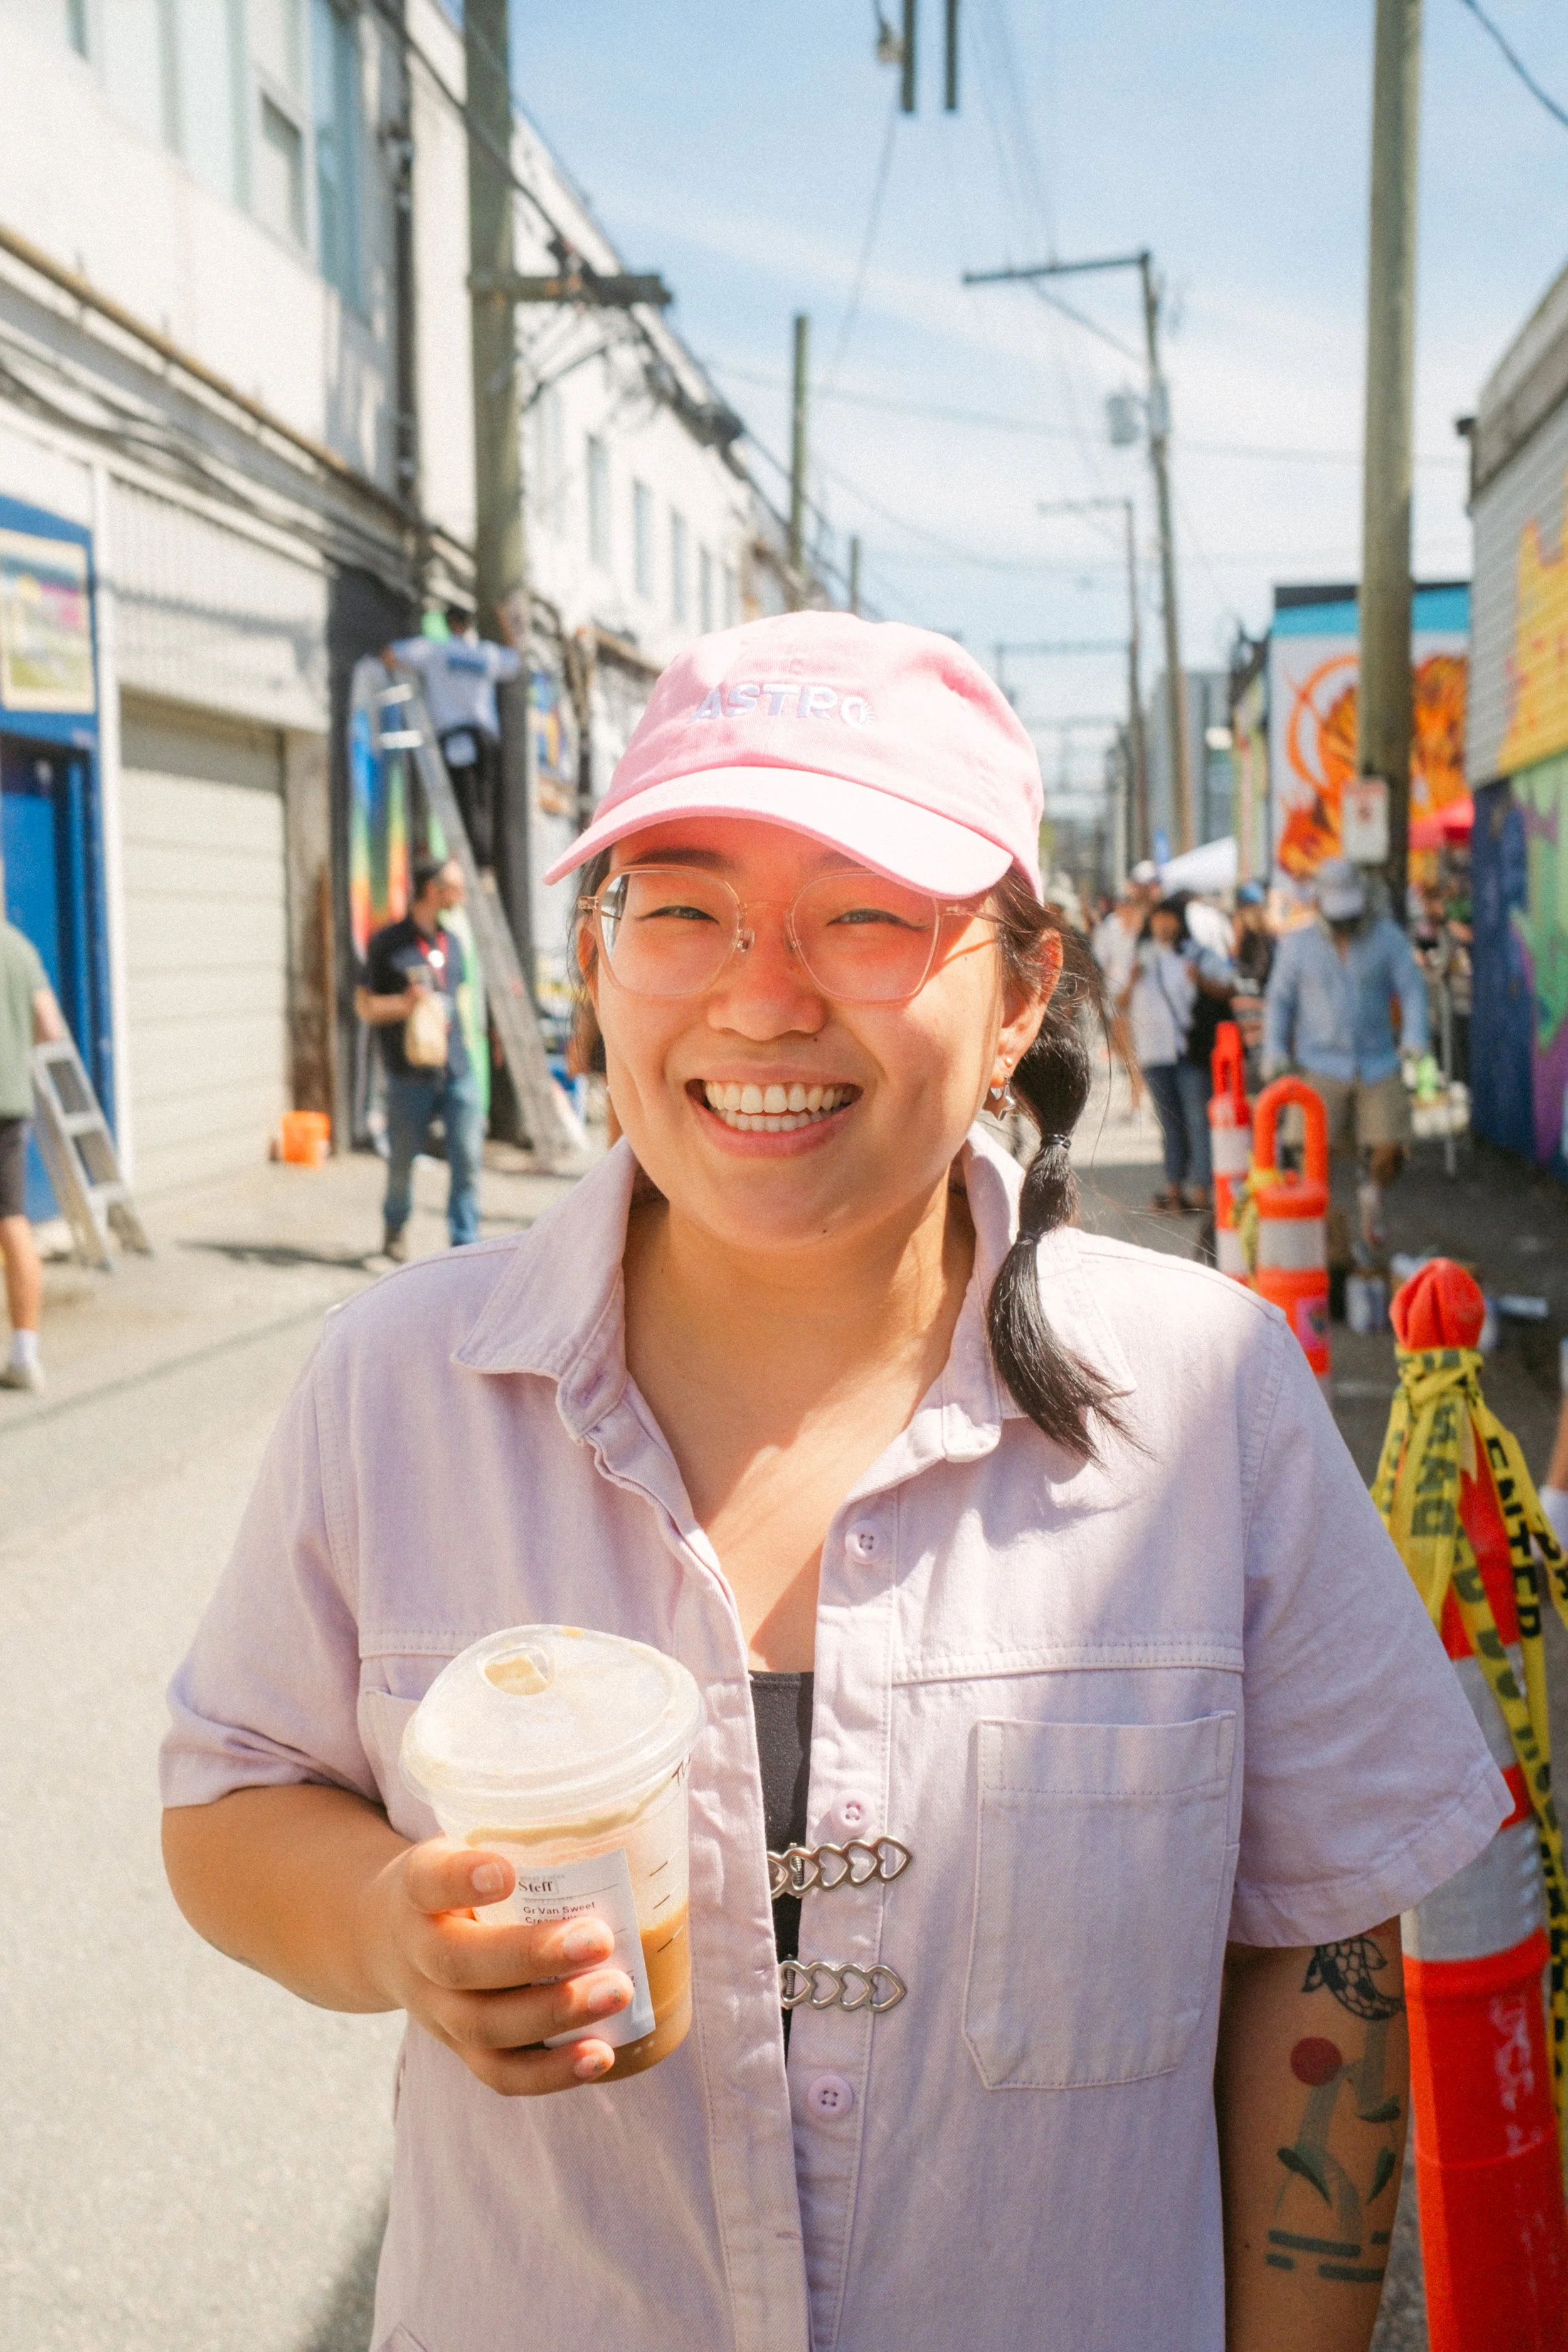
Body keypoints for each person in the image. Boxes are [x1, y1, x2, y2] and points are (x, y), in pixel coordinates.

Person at [161, 613, 1504, 2352]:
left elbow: (1321, 1946)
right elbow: (228, 1801)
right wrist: (379, 1927)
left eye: (865, 910)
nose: (762, 990)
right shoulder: (395, 1386)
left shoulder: (1211, 1400)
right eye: (683, 901)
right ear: (597, 955)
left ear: (1021, 991)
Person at [1263, 856, 1429, 1256]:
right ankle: (1325, 1230)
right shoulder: (1298, 945)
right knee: (1313, 1150)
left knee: (1393, 1140)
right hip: (1320, 1062)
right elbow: (1279, 1001)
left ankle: (1372, 1194)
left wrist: (1415, 1035)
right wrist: (1274, 1049)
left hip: (1378, 1059)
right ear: (1318, 905)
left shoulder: (1388, 938)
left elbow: (1411, 989)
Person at [356, 854, 484, 1261]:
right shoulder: (388, 944)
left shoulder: (455, 943)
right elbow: (365, 1008)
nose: (461, 894)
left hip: (457, 1070)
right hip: (408, 1074)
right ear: (433, 891)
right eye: (455, 886)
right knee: (402, 1163)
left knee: (468, 1162)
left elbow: (458, 1004)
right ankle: (395, 1229)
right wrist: (404, 1004)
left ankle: (464, 1246)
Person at [386, 606, 522, 869]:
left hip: (457, 738)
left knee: (466, 802)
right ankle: (483, 865)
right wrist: (507, 624)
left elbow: (391, 655)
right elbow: (515, 662)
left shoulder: (435, 651)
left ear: (449, 624)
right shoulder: (486, 654)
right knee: (483, 802)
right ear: (469, 625)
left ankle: (476, 864)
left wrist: (408, 677)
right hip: (486, 740)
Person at [1124, 894, 1232, 1213]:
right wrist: (1130, 983)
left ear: (1180, 922)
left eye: (1169, 918)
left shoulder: (1198, 955)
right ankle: (1175, 1188)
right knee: (1170, 1124)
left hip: (1190, 1052)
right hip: (1154, 1053)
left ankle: (1203, 1191)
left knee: (1198, 1122)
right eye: (1158, 919)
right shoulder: (1142, 957)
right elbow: (1119, 1002)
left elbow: (1228, 987)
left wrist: (1201, 980)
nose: (1163, 925)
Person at [0, 916, 64, 1393]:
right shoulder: (20, 950)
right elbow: (51, 1027)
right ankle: (25, 1355)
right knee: (14, 1221)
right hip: (11, 1105)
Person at [1091, 883, 1145, 1111]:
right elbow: (1101, 960)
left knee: (1141, 1050)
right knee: (1126, 1050)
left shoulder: (1144, 928)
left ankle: (1137, 1099)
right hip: (1117, 994)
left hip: (1142, 995)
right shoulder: (1110, 928)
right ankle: (1135, 1099)